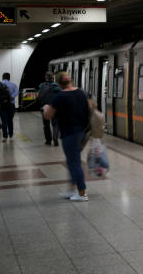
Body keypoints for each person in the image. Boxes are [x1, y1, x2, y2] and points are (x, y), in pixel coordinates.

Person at [43, 71, 90, 202]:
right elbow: (90, 108)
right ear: (70, 80)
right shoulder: (81, 92)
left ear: (58, 83)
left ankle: (82, 194)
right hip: (82, 133)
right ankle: (71, 190)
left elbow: (48, 115)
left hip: (70, 134)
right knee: (72, 162)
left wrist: (46, 107)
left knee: (74, 163)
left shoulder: (60, 97)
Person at [0, 73, 18, 143]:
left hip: (2, 105)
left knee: (4, 121)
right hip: (11, 105)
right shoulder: (13, 85)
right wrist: (11, 97)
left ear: (3, 77)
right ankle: (11, 134)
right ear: (9, 78)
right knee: (10, 120)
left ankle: (5, 137)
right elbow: (16, 92)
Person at [38, 71, 60, 146]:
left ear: (45, 77)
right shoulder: (57, 86)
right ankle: (55, 137)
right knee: (55, 124)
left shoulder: (41, 85)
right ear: (53, 77)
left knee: (46, 124)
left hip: (44, 107)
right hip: (54, 107)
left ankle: (48, 140)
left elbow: (39, 96)